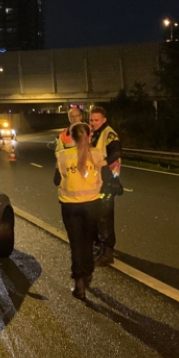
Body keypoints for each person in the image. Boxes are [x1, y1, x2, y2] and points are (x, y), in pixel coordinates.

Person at [54, 123, 113, 300]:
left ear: (71, 137)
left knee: (76, 244)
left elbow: (56, 180)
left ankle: (79, 282)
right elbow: (107, 177)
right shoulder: (96, 154)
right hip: (92, 205)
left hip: (70, 206)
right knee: (88, 242)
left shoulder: (62, 156)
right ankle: (88, 274)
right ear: (89, 136)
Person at [89, 105, 122, 266]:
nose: (93, 122)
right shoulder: (94, 133)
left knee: (105, 217)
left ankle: (107, 252)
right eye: (91, 119)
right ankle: (101, 247)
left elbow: (116, 152)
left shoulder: (109, 134)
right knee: (96, 216)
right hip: (95, 182)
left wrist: (104, 162)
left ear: (104, 120)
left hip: (106, 181)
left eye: (96, 120)